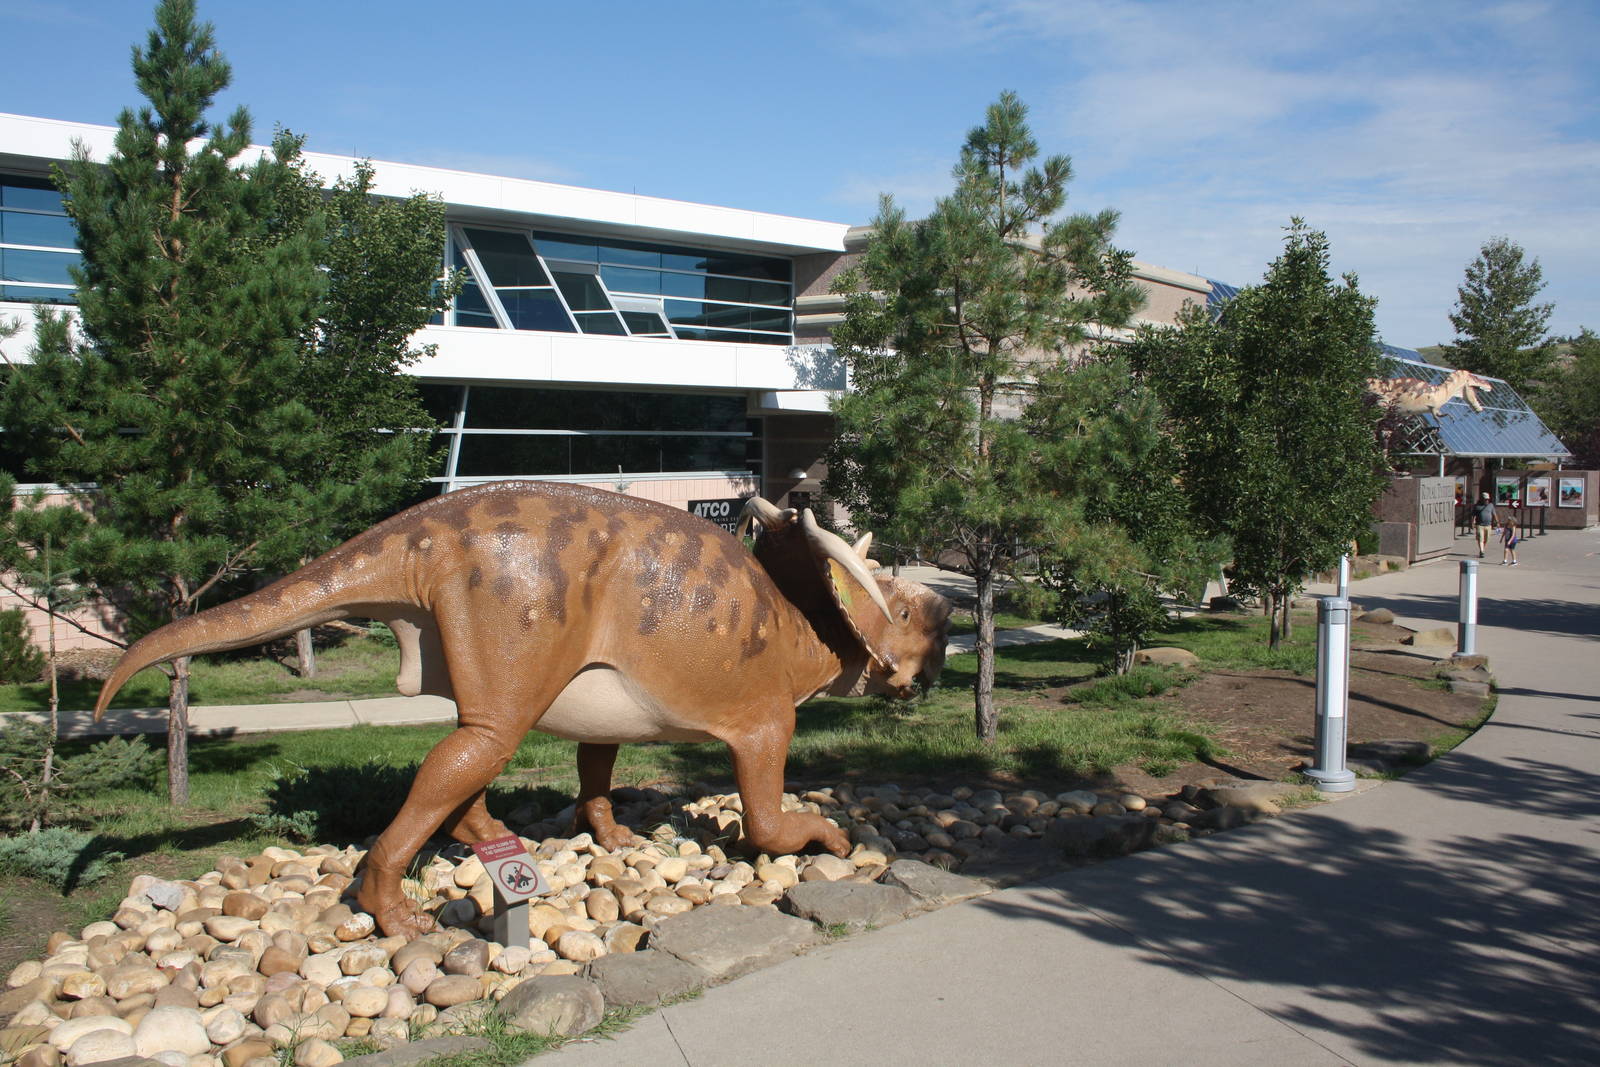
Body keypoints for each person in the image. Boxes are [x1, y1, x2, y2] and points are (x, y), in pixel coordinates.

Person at [1471, 492, 1497, 557]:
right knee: (1480, 538)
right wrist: (1472, 522)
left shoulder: (1491, 505)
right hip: (1479, 525)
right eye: (1485, 499)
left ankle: (1482, 549)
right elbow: (1473, 515)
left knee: (1486, 539)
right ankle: (1482, 551)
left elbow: (1494, 514)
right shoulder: (1477, 506)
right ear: (1481, 499)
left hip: (1488, 525)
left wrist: (1497, 522)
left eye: (1487, 499)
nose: (1487, 500)